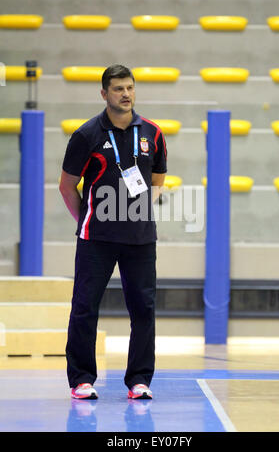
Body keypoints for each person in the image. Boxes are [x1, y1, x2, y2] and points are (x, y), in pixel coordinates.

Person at [59, 64, 167, 400]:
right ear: (104, 93)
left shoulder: (152, 133)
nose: (126, 94)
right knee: (85, 307)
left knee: (144, 309)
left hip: (140, 240)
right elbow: (66, 186)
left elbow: (158, 180)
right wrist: (87, 220)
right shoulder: (86, 135)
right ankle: (81, 379)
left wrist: (142, 208)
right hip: (97, 240)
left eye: (130, 88)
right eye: (118, 89)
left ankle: (139, 380)